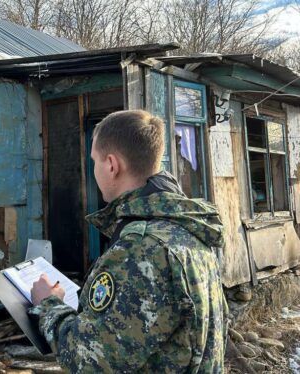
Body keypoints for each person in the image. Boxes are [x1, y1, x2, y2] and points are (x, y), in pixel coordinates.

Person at [30, 110, 227, 373]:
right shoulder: (186, 228)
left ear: (112, 165)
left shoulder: (141, 249)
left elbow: (90, 361)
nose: (94, 170)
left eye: (95, 161)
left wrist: (49, 304)